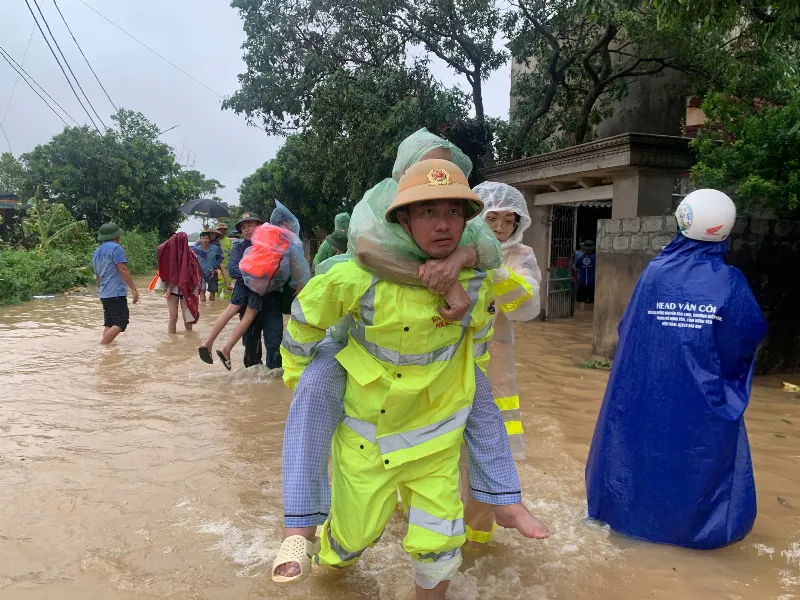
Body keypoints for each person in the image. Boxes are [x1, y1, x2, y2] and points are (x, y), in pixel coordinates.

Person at [273, 129, 548, 586]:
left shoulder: (480, 274)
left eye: (452, 211)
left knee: (441, 543)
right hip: (369, 432)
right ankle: (303, 530)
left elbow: (483, 330)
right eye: (427, 211)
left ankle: (504, 496)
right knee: (348, 541)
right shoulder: (357, 264)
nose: (442, 223)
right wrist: (297, 372)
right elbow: (307, 316)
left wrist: (465, 277)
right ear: (402, 216)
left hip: (434, 431)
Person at [585, 189, 767, 550]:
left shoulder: (655, 274)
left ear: (681, 220)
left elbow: (630, 331)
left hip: (643, 391)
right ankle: (691, 531)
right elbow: (744, 338)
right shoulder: (731, 283)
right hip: (701, 398)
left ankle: (629, 520)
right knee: (695, 460)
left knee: (638, 452)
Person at [460, 182, 543, 545]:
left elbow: (526, 304)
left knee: (485, 443)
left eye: (508, 220)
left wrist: (492, 268)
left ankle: (477, 536)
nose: (499, 227)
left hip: (493, 361)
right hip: (447, 353)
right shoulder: (454, 246)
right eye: (492, 218)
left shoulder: (520, 255)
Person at [92, 222, 139, 345]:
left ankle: (108, 350)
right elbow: (122, 269)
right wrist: (133, 289)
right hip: (116, 292)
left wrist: (100, 289)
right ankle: (103, 345)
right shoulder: (116, 248)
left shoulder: (96, 252)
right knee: (121, 322)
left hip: (104, 293)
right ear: (116, 236)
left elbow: (98, 275)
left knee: (109, 322)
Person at [158, 232, 202, 334]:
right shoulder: (169, 255)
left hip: (187, 289)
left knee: (187, 316)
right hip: (172, 289)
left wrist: (196, 289)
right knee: (173, 316)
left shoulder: (191, 255)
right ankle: (173, 340)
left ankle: (188, 338)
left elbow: (196, 273)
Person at [191, 231, 224, 302]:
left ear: (209, 239)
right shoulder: (195, 249)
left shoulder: (216, 248)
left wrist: (216, 265)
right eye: (203, 238)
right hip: (200, 274)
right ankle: (203, 309)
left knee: (212, 292)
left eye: (206, 238)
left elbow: (221, 258)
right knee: (202, 292)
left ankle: (212, 309)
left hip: (212, 273)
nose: (204, 240)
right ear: (200, 239)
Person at [574, 240, 596, 310]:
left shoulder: (580, 258)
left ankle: (582, 314)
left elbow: (576, 270)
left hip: (582, 282)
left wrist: (576, 280)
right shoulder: (595, 258)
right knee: (593, 301)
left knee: (581, 300)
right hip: (592, 282)